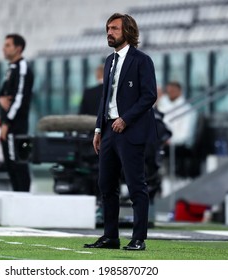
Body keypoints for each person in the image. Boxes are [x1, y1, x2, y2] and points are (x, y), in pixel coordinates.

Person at [84, 13, 157, 251]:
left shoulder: (141, 60)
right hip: (108, 132)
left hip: (130, 131)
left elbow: (149, 96)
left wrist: (125, 119)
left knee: (136, 185)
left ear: (127, 31)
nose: (109, 32)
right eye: (107, 28)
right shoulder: (109, 61)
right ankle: (110, 236)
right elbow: (105, 99)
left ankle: (139, 238)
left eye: (114, 28)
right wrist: (98, 129)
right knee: (106, 185)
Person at [0, 34, 34, 192]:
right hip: (8, 126)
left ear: (18, 48)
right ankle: (17, 198)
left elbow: (20, 98)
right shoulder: (11, 69)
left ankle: (23, 199)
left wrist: (6, 123)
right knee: (11, 165)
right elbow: (2, 93)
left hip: (16, 126)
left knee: (18, 163)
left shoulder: (22, 67)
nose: (3, 49)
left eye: (8, 45)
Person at [160, 81, 198, 177]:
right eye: (169, 91)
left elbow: (186, 135)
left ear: (179, 91)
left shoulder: (187, 109)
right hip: (165, 142)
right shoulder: (164, 107)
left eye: (173, 91)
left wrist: (169, 140)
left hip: (181, 145)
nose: (170, 93)